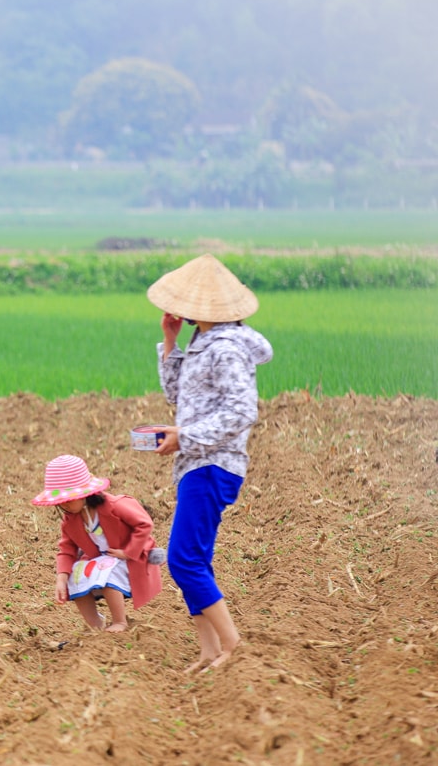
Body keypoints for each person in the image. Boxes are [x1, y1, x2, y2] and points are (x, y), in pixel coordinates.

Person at [147, 253, 273, 672]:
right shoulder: (203, 343)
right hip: (196, 463)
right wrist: (170, 342)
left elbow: (243, 410)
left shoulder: (226, 348)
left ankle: (233, 646)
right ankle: (207, 650)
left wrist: (188, 436)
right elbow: (178, 397)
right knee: (191, 560)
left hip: (212, 463)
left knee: (183, 559)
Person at [31, 454, 165, 633]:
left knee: (108, 572)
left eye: (70, 499)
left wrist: (128, 551)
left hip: (130, 558)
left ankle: (120, 621)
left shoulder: (115, 506)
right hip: (102, 558)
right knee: (75, 576)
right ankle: (95, 624)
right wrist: (61, 578)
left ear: (86, 493)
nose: (67, 506)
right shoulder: (70, 521)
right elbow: (66, 549)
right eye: (62, 502)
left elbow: (144, 524)